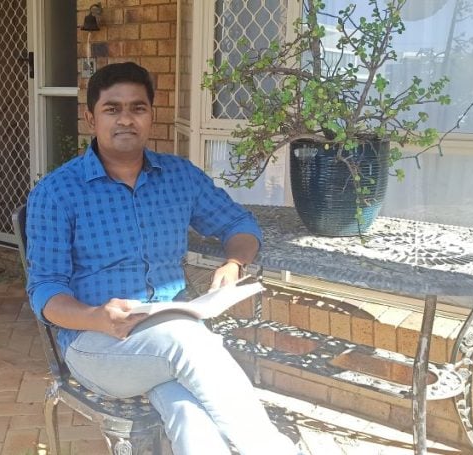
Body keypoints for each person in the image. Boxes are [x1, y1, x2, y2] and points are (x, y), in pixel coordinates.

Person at [25, 62, 300, 455]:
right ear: (91, 118)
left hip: (166, 340)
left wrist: (233, 263)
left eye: (137, 108)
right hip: (96, 342)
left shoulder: (178, 176)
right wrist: (96, 317)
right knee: (188, 343)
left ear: (151, 116)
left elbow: (240, 223)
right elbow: (45, 291)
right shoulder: (57, 192)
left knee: (190, 412)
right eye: (112, 109)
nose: (126, 119)